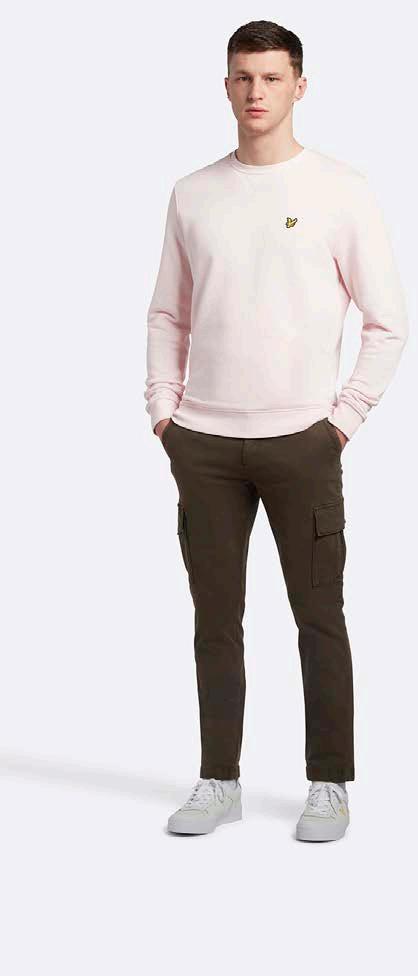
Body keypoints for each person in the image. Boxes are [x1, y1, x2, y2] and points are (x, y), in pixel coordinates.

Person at [144, 20, 409, 841]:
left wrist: (342, 421)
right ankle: (218, 779)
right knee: (214, 622)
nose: (255, 91)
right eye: (242, 77)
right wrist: (165, 413)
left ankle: (329, 783)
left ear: (300, 85)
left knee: (319, 617)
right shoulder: (193, 193)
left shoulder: (341, 190)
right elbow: (167, 312)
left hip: (303, 442)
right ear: (226, 86)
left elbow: (387, 323)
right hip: (204, 445)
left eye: (270, 77)